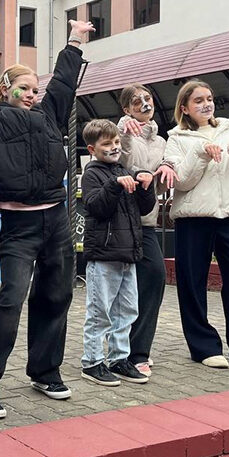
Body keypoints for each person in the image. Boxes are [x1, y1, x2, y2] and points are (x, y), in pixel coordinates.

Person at [0, 0, 92, 419]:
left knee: (56, 294)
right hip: (19, 226)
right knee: (12, 298)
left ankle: (45, 370)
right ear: (5, 89)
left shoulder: (48, 115)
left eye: (35, 88)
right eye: (24, 88)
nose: (32, 94)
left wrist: (75, 43)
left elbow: (65, 84)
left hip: (56, 221)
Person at [164, 80, 229, 369]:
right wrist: (201, 154)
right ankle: (204, 347)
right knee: (192, 283)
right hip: (193, 219)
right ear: (184, 108)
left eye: (209, 98)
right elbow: (182, 181)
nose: (206, 104)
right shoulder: (176, 138)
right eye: (198, 100)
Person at [80, 119, 156, 386]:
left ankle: (119, 358)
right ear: (92, 148)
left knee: (127, 310)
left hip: (128, 255)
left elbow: (143, 209)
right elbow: (95, 207)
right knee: (100, 311)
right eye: (106, 144)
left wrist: (147, 185)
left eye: (115, 143)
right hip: (103, 256)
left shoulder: (124, 169)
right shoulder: (91, 173)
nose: (113, 148)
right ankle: (92, 361)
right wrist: (114, 186)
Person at [117, 85, 177, 377]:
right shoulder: (120, 132)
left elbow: (161, 185)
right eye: (136, 101)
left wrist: (166, 168)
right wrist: (125, 133)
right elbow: (118, 162)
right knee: (115, 287)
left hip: (148, 221)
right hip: (118, 222)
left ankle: (139, 350)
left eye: (148, 99)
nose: (144, 104)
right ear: (127, 109)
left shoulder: (161, 141)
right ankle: (113, 350)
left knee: (154, 276)